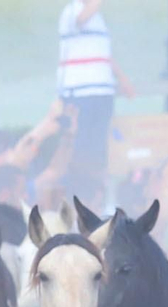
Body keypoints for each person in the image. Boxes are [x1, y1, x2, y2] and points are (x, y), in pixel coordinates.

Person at [56, 0, 133, 199]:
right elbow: (81, 19)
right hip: (80, 92)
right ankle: (78, 196)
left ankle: (98, 197)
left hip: (102, 91)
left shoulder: (98, 18)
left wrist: (122, 79)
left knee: (99, 150)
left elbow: (104, 54)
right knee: (80, 149)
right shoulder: (72, 10)